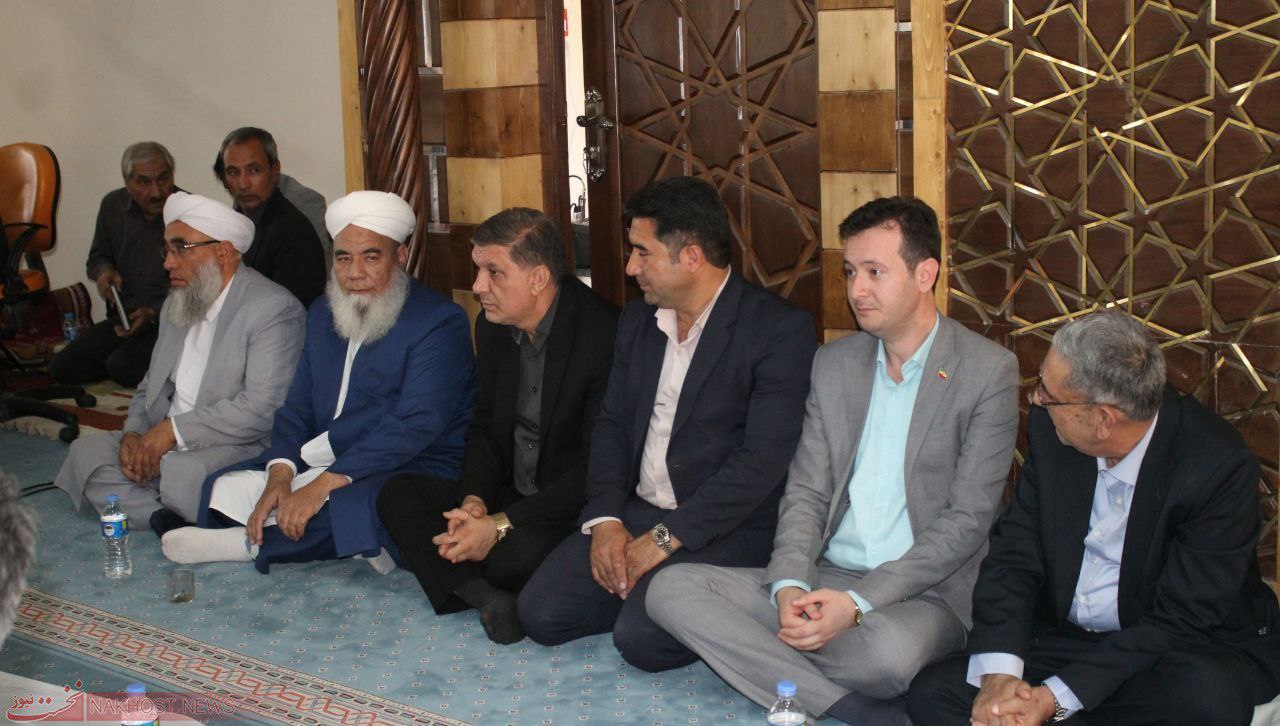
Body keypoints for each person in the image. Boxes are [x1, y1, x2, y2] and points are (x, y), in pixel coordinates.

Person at [646, 196, 1020, 722]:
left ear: (925, 274)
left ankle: (774, 664)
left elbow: (967, 522)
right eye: (850, 272)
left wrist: (858, 604)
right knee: (671, 590)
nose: (856, 289)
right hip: (827, 574)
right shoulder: (835, 363)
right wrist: (790, 586)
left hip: (922, 595)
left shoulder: (987, 371)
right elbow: (807, 492)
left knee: (884, 659)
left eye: (874, 272)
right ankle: (848, 706)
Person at [907, 310, 1280, 725]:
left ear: (1103, 419)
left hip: (1165, 649)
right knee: (933, 693)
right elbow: (1015, 557)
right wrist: (1000, 678)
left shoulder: (1216, 467)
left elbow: (1181, 620)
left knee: (1206, 699)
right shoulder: (1054, 432)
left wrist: (1053, 698)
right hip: (1065, 639)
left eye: (1048, 394)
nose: (1036, 400)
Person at [517, 176, 817, 672]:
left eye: (643, 253)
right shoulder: (638, 321)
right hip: (639, 511)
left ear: (692, 257)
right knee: (541, 614)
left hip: (725, 526)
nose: (630, 267)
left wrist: (663, 541)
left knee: (641, 642)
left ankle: (685, 602)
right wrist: (606, 522)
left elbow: (760, 464)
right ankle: (643, 595)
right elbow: (611, 426)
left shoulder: (777, 331)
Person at [160, 191, 476, 574]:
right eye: (343, 258)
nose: (354, 273)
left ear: (401, 256)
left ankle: (250, 545)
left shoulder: (438, 321)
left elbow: (416, 423)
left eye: (371, 257)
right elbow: (298, 405)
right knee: (224, 485)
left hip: (407, 461)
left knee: (365, 503)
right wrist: (281, 473)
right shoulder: (324, 312)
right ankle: (337, 540)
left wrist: (321, 485)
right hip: (324, 455)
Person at [378, 207, 619, 644]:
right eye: (478, 271)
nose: (477, 287)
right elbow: (485, 428)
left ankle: (472, 578)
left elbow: (594, 469)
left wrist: (500, 525)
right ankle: (485, 597)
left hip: (564, 507)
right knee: (398, 495)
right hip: (508, 492)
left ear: (538, 278)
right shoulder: (492, 328)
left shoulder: (602, 336)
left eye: (493, 272)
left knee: (514, 558)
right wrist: (474, 502)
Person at [53, 192, 305, 528]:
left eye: (180, 249)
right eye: (167, 251)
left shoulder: (272, 309)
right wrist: (133, 435)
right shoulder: (178, 302)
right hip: (166, 437)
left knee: (183, 472)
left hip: (232, 443)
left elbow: (263, 408)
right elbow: (149, 386)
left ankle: (165, 505)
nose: (168, 263)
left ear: (223, 252)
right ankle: (168, 516)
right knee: (84, 454)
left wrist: (173, 432)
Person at [49, 142, 176, 387]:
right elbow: (97, 256)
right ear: (127, 183)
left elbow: (200, 287)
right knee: (61, 368)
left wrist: (153, 313)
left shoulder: (189, 213)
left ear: (172, 175)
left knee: (122, 368)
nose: (157, 192)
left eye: (163, 179)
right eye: (144, 182)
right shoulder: (112, 206)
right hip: (122, 319)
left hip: (167, 323)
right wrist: (104, 271)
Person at [213, 127, 326, 306]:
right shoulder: (233, 222)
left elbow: (290, 310)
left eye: (254, 170)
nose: (243, 184)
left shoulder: (292, 231)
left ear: (274, 171)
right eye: (233, 172)